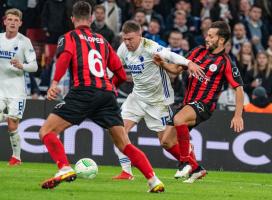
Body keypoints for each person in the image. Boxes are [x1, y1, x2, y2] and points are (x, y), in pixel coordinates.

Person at [39, 2, 164, 193]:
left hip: (83, 92)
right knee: (124, 144)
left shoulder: (69, 37)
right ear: (90, 19)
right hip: (106, 95)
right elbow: (121, 73)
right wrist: (109, 88)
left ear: (72, 19)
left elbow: (64, 57)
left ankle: (64, 168)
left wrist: (55, 83)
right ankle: (154, 180)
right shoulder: (102, 40)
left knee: (46, 131)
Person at [154, 21, 245, 183]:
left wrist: (238, 115)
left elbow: (239, 88)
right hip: (187, 103)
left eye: (211, 36)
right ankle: (196, 168)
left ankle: (184, 163)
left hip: (205, 105)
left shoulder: (225, 62)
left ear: (221, 40)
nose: (207, 38)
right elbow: (176, 69)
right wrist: (163, 64)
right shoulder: (197, 51)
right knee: (166, 142)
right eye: (207, 35)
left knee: (179, 119)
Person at [113, 20, 203, 181]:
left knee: (166, 142)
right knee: (119, 132)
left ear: (139, 36)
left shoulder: (150, 47)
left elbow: (170, 55)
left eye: (130, 39)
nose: (127, 43)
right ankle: (127, 172)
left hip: (158, 101)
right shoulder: (123, 49)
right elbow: (113, 66)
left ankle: (194, 166)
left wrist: (189, 63)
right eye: (124, 39)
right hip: (136, 98)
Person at [0, 8, 38, 166]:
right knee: (10, 120)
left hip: (17, 91)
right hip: (0, 89)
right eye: (10, 20)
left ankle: (16, 157)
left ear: (20, 23)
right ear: (4, 21)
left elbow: (34, 67)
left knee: (12, 125)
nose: (12, 23)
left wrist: (21, 65)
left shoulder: (24, 42)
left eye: (16, 20)